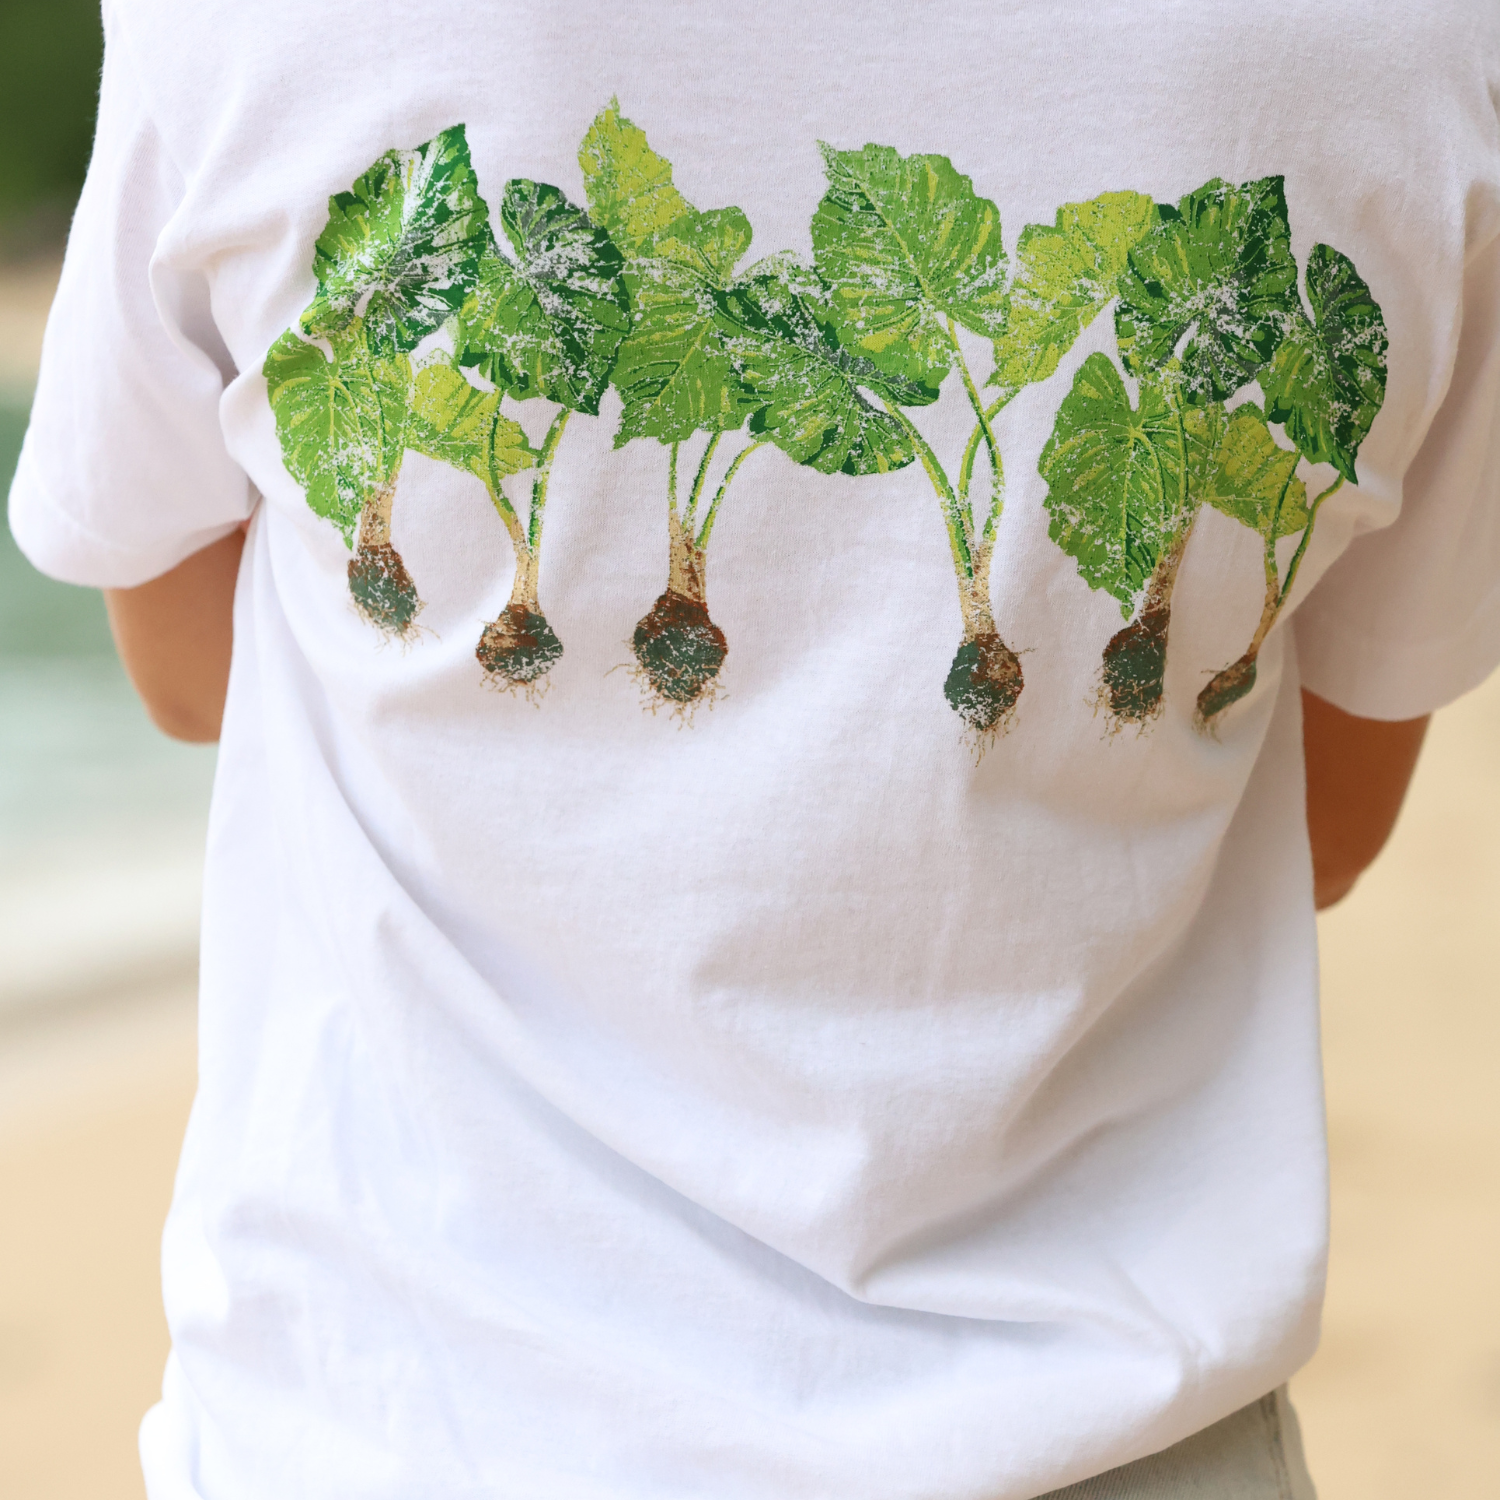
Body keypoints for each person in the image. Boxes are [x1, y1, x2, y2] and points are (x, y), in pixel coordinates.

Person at [9, 2, 1497, 1496]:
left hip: (397, 1416)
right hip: (1114, 1433)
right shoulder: (1418, 45)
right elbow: (1336, 810)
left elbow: (188, 666)